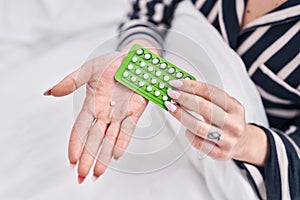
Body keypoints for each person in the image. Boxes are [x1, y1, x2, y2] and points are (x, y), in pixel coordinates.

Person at [43, 0, 299, 199]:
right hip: (149, 114)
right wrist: (137, 55)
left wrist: (248, 142)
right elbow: (150, 10)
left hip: (244, 170)